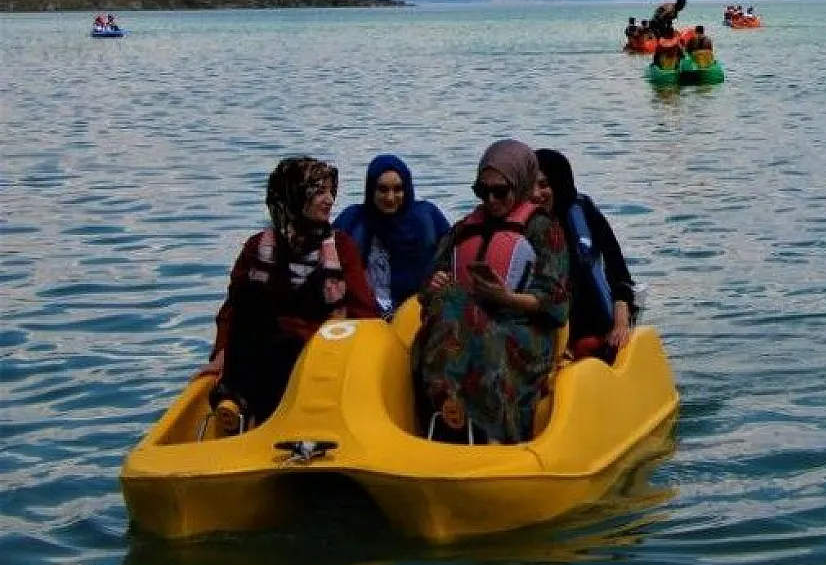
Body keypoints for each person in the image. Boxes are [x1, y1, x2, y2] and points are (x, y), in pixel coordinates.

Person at [202, 157, 379, 433]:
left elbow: (363, 310)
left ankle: (257, 412)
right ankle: (235, 401)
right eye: (319, 192)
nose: (330, 200)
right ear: (295, 196)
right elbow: (233, 311)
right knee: (252, 297)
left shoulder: (342, 248)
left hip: (322, 348)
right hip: (265, 348)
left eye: (331, 192)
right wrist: (221, 353)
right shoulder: (257, 246)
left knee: (289, 351)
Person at [412, 140, 569, 444]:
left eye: (501, 191)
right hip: (468, 321)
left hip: (523, 331)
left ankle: (493, 429)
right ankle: (446, 406)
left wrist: (505, 298)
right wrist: (433, 285)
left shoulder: (544, 229)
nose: (492, 199)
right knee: (447, 305)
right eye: (484, 191)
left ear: (521, 185)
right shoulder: (463, 228)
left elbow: (557, 305)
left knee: (476, 333)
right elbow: (428, 283)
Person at [534, 149, 638, 362]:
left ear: (559, 183)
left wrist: (620, 325)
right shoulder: (521, 225)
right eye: (529, 186)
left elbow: (619, 272)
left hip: (592, 327)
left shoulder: (582, 212)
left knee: (588, 343)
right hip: (547, 333)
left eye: (543, 185)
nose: (535, 194)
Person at [333, 154, 452, 318]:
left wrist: (441, 277)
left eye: (397, 189)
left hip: (414, 311)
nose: (390, 198)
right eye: (382, 189)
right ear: (371, 189)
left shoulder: (427, 219)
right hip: (364, 316)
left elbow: (454, 255)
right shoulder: (352, 221)